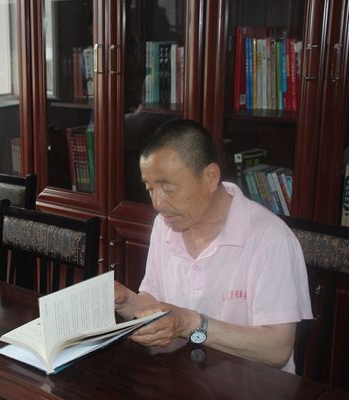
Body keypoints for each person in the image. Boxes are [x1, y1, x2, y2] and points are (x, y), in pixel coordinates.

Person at [114, 119, 312, 373]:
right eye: (150, 189)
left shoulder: (270, 239)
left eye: (168, 189)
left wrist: (191, 324)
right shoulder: (165, 225)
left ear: (210, 177)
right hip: (183, 376)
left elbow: (277, 350)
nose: (158, 204)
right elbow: (158, 307)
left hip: (251, 385)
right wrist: (126, 301)